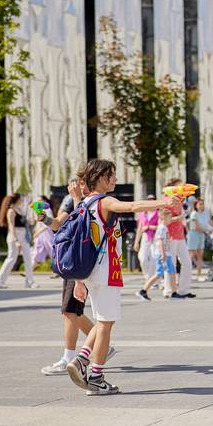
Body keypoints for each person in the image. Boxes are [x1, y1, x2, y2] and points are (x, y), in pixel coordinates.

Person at [66, 159, 178, 395]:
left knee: (102, 321)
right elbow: (132, 207)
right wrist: (164, 202)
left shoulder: (85, 203)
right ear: (101, 178)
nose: (115, 179)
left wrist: (78, 280)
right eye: (112, 175)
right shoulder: (104, 201)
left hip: (89, 271)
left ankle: (82, 360)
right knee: (106, 325)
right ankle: (96, 376)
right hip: (107, 269)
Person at [37, 178, 115, 376]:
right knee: (71, 311)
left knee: (70, 310)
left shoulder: (93, 200)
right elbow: (57, 225)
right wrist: (44, 219)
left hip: (85, 262)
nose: (79, 186)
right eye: (77, 182)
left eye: (82, 182)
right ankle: (100, 345)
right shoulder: (70, 199)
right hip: (71, 260)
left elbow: (86, 222)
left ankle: (70, 357)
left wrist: (78, 199)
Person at [0, 193, 37, 289]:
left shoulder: (20, 210)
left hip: (23, 237)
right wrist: (16, 240)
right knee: (11, 259)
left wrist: (34, 213)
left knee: (28, 258)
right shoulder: (11, 211)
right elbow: (11, 227)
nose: (22, 199)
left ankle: (29, 281)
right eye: (21, 198)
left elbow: (29, 223)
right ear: (17, 200)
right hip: (15, 237)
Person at [137, 209, 180, 300]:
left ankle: (174, 293)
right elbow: (160, 241)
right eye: (169, 218)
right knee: (159, 274)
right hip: (163, 255)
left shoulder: (164, 227)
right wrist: (163, 254)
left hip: (166, 254)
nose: (170, 220)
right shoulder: (162, 228)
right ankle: (143, 291)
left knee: (172, 272)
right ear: (164, 217)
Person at [163, 178, 194, 299]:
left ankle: (183, 290)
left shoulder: (180, 201)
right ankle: (168, 290)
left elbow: (182, 218)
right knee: (171, 264)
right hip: (170, 236)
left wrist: (184, 216)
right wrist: (180, 217)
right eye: (179, 186)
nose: (182, 188)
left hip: (180, 235)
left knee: (187, 262)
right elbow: (164, 220)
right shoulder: (167, 200)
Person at [133, 195, 159, 283]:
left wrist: (149, 226)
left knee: (154, 258)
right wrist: (136, 242)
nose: (151, 201)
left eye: (152, 200)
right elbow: (140, 228)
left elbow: (161, 226)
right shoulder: (143, 213)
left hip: (155, 237)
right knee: (142, 257)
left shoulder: (158, 213)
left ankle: (152, 280)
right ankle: (147, 276)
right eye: (149, 200)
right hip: (145, 237)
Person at [188, 198, 213, 281]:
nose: (201, 205)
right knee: (192, 254)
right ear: (196, 205)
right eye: (200, 204)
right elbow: (197, 226)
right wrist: (207, 231)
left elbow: (209, 223)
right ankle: (187, 273)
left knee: (200, 255)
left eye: (202, 204)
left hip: (202, 235)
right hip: (193, 234)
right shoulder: (194, 214)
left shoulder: (206, 213)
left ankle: (199, 274)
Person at [31, 195, 55, 269]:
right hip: (40, 235)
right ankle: (29, 270)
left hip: (47, 233)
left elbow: (48, 223)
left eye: (40, 200)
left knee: (52, 251)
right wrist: (35, 232)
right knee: (36, 252)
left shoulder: (48, 210)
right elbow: (37, 223)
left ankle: (58, 269)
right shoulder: (38, 210)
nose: (39, 202)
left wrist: (38, 232)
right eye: (38, 201)